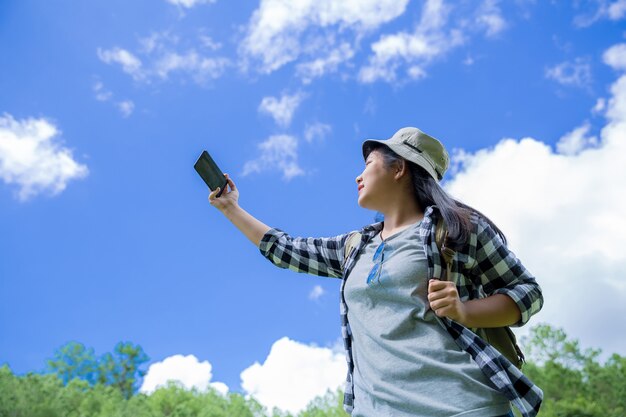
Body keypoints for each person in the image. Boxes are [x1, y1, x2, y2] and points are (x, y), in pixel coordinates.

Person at [208, 127, 544, 417]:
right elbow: (286, 250)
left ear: (399, 169)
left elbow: (527, 293)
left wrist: (464, 310)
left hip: (461, 406)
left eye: (368, 165)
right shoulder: (356, 247)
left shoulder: (457, 230)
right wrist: (231, 208)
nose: (358, 176)